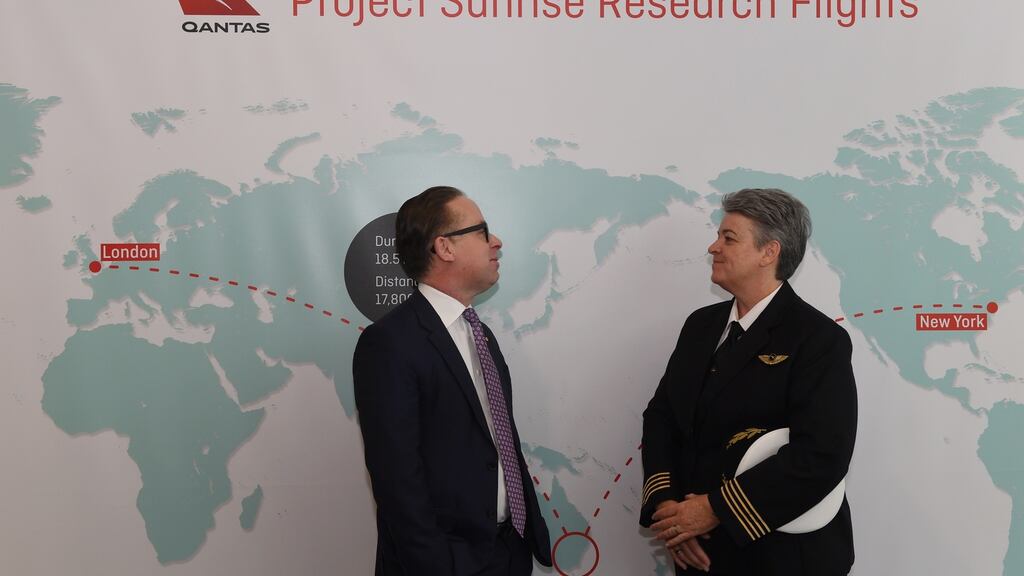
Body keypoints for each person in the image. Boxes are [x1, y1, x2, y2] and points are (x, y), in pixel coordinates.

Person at [639, 188, 857, 575]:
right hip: (701, 555)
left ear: (768, 252)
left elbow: (822, 455)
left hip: (781, 557)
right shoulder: (700, 326)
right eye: (718, 236)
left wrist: (712, 511)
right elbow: (662, 419)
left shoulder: (818, 339)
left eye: (729, 238)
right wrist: (672, 514)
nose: (713, 247)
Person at [353, 186, 552, 575]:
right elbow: (397, 479)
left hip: (508, 553)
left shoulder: (479, 333)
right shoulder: (390, 343)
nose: (496, 242)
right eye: (481, 231)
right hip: (446, 563)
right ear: (445, 248)